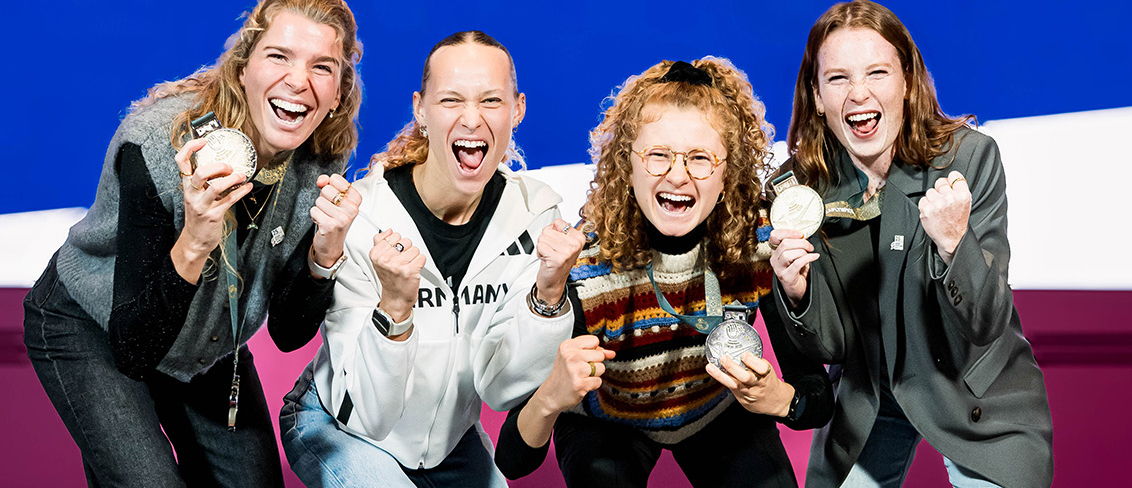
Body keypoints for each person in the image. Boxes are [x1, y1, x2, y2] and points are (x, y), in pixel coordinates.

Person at [22, 0, 363, 486]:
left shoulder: (321, 162)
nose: (298, 81)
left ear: (337, 92)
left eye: (322, 67)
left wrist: (323, 255)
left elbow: (288, 335)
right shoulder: (160, 144)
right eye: (279, 56)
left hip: (205, 340)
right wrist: (195, 240)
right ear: (243, 67)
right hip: (96, 324)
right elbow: (134, 350)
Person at [494, 57, 835, 488]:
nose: (678, 175)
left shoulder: (758, 245)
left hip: (713, 408)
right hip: (608, 422)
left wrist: (779, 400)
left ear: (729, 172)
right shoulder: (585, 266)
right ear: (627, 165)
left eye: (701, 158)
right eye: (657, 155)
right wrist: (549, 398)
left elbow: (815, 399)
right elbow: (512, 459)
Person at [279, 30, 584, 488]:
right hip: (341, 422)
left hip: (450, 440)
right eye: (451, 101)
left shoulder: (536, 217)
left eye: (491, 101)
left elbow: (504, 391)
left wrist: (549, 295)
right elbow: (371, 416)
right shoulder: (362, 216)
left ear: (517, 109)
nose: (472, 118)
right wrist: (396, 311)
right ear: (421, 108)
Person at [770, 2, 1053, 487]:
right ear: (816, 96)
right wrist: (798, 294)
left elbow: (985, 322)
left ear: (906, 81)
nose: (859, 93)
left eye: (877, 73)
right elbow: (831, 346)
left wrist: (953, 245)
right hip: (871, 397)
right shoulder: (798, 190)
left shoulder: (970, 157)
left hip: (971, 392)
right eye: (837, 79)